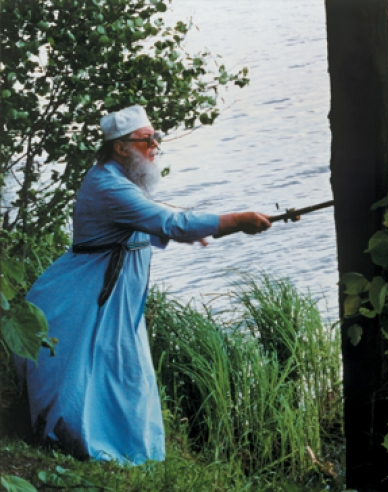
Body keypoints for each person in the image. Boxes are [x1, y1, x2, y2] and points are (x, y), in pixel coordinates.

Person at [14, 105, 272, 464]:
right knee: (87, 370)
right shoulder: (108, 186)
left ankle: (131, 447)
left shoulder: (118, 179)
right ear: (121, 147)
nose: (156, 146)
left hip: (116, 294)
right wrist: (236, 220)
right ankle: (82, 443)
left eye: (156, 138)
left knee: (121, 369)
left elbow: (158, 220)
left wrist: (196, 228)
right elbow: (171, 222)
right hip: (89, 293)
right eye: (147, 140)